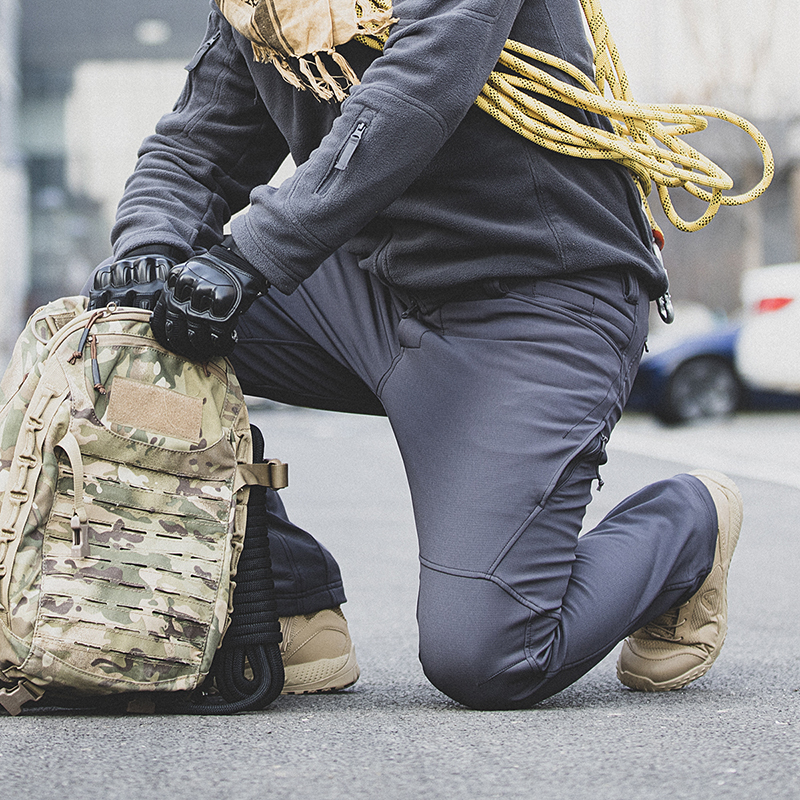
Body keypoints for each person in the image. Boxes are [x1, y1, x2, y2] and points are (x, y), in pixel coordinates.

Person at [87, 0, 742, 709]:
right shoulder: (258, 6)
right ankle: (287, 597)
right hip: (372, 289)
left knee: (488, 657)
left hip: (534, 299)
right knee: (122, 338)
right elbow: (196, 147)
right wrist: (148, 249)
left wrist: (248, 258)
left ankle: (687, 526)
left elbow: (416, 89)